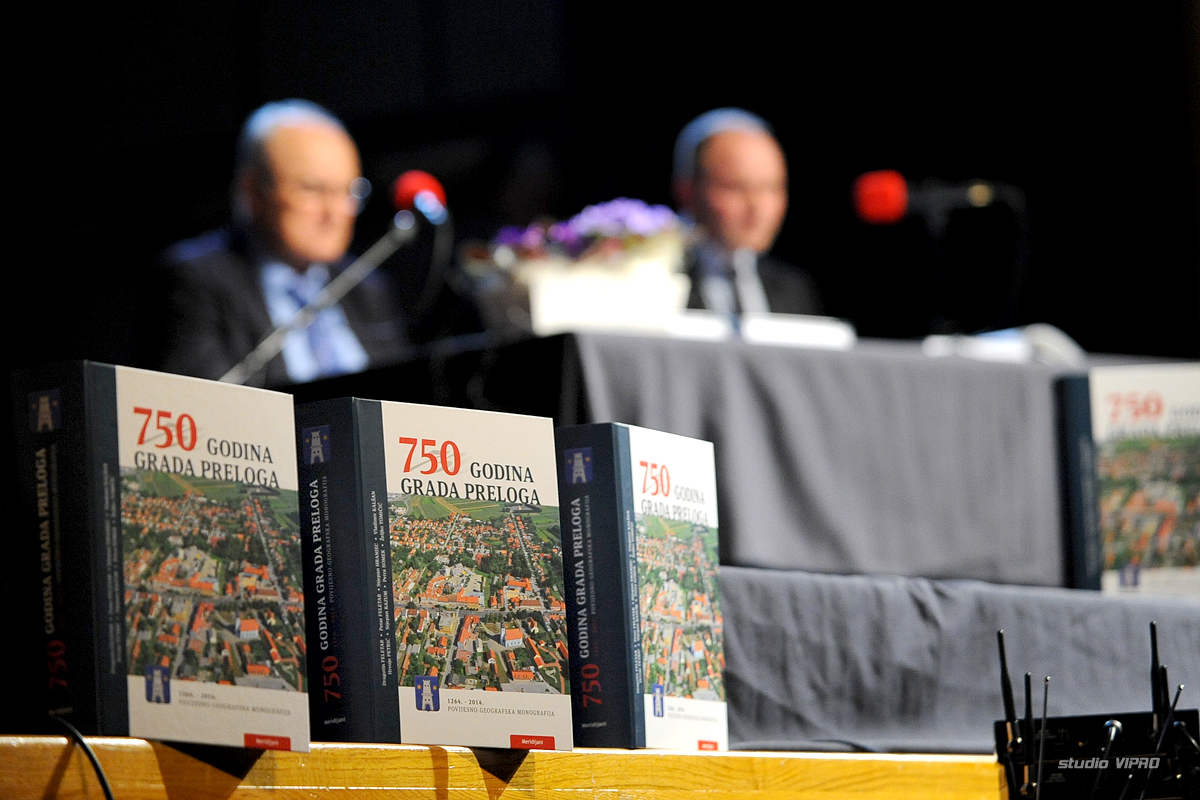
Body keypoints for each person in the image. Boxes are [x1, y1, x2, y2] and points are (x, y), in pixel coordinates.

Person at [156, 100, 408, 386]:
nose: (335, 212)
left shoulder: (366, 288)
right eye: (313, 189)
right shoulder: (197, 281)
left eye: (348, 191)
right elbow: (200, 404)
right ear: (252, 191)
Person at [672, 108, 821, 316]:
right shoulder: (654, 278)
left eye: (771, 187)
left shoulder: (794, 288)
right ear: (687, 191)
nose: (757, 207)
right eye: (737, 187)